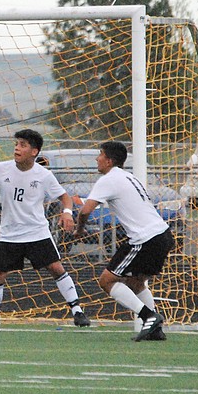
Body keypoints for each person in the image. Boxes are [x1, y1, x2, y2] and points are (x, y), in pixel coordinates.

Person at [0, 129, 88, 331]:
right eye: (17, 144)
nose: (17, 148)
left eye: (23, 145)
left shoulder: (44, 175)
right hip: (9, 234)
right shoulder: (1, 169)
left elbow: (65, 197)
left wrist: (67, 212)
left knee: (56, 268)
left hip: (37, 232)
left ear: (34, 152)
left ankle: (77, 311)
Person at [74, 141, 174, 342]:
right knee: (135, 282)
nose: (97, 159)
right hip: (163, 235)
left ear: (109, 160)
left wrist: (79, 230)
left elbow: (86, 211)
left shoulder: (108, 179)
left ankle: (149, 316)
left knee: (107, 281)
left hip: (144, 239)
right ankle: (155, 329)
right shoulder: (128, 177)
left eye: (100, 154)